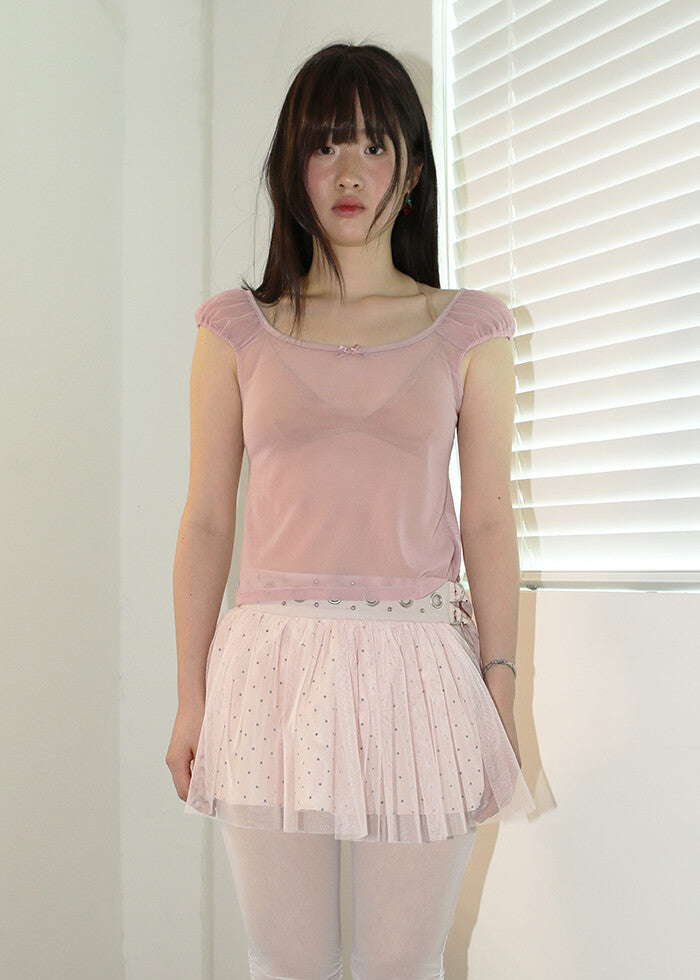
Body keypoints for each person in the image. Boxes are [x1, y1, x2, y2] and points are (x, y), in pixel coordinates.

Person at [166, 40, 537, 980]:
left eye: (375, 146)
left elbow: (489, 518)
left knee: (400, 967)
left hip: (418, 666)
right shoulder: (235, 329)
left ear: (410, 171)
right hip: (270, 667)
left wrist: (500, 684)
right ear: (291, 165)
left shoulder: (469, 330)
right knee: (286, 964)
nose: (349, 172)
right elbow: (207, 519)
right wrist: (190, 695)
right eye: (326, 144)